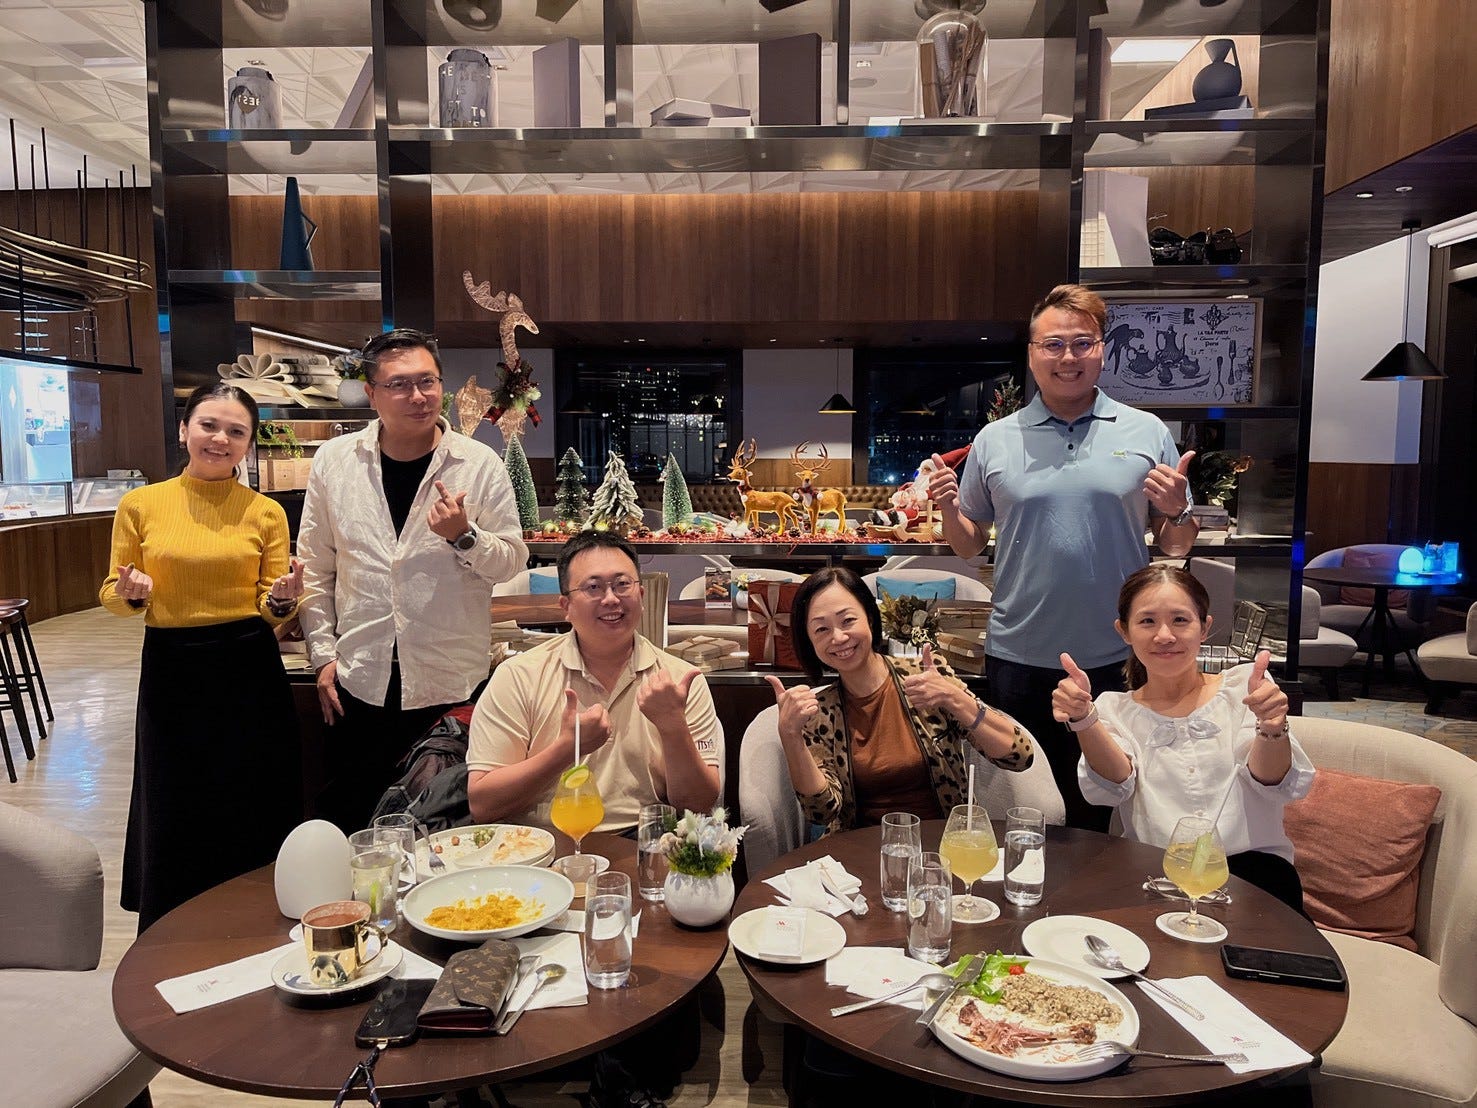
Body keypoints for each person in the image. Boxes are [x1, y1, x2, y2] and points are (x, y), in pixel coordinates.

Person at [928, 283, 1200, 831]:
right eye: (1053, 344)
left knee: (1114, 798)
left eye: (1082, 343)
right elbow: (969, 544)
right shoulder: (996, 439)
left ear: (1103, 350)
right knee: (1025, 804)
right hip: (1020, 650)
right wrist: (950, 508)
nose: (1068, 357)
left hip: (1120, 652)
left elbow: (1176, 546)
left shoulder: (1146, 432)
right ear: (1032, 353)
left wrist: (1176, 511)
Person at [298, 328, 527, 832]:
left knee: (443, 831)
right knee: (357, 827)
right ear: (371, 392)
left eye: (428, 381)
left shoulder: (478, 464)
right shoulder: (335, 462)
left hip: (450, 685)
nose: (418, 396)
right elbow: (315, 567)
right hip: (360, 682)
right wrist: (323, 655)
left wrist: (464, 536)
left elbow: (512, 560)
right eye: (400, 384)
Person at [99, 383, 305, 932]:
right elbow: (112, 593)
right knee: (175, 796)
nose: (220, 439)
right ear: (183, 429)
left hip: (248, 664)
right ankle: (172, 926)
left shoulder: (265, 512)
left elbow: (271, 604)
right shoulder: (141, 504)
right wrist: (132, 593)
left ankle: (257, 920)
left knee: (253, 790)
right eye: (209, 425)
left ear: (248, 443)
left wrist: (283, 600)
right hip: (172, 665)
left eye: (236, 431)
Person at [1053, 564, 1313, 912]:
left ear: (1204, 627)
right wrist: (1084, 719)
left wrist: (1270, 725)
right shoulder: (1114, 709)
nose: (1164, 635)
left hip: (1256, 879)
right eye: (1147, 621)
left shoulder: (1243, 687)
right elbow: (1115, 784)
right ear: (1124, 631)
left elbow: (1271, 780)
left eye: (1180, 620)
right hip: (1159, 881)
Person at [466, 530, 722, 832]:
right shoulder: (519, 676)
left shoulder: (679, 681)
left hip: (643, 843)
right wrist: (567, 748)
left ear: (641, 596)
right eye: (593, 587)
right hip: (541, 844)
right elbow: (483, 805)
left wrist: (672, 726)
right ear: (566, 606)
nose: (611, 599)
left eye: (622, 584)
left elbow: (698, 805)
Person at [765, 566, 1033, 836]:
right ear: (809, 640)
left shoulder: (925, 676)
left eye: (847, 620)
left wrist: (954, 698)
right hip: (859, 848)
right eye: (821, 629)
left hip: (944, 843)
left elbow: (1019, 756)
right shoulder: (819, 712)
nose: (838, 637)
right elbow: (821, 811)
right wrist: (790, 735)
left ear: (870, 618)